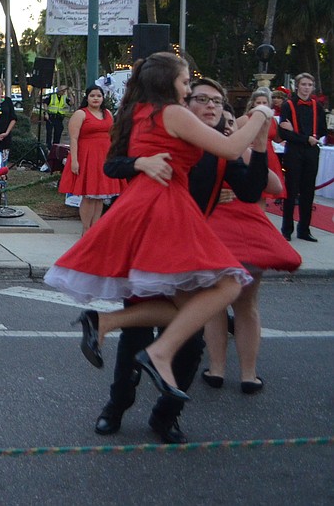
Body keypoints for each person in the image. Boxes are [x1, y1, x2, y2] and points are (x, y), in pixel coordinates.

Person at [44, 52, 272, 402]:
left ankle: (104, 324)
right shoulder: (173, 113)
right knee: (227, 286)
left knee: (190, 304)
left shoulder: (139, 112)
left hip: (147, 204)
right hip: (166, 207)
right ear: (169, 83)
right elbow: (228, 147)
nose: (187, 88)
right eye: (185, 82)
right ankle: (160, 353)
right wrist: (259, 115)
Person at [96, 77, 270, 442]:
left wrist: (260, 143)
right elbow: (112, 166)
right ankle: (116, 407)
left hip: (190, 258)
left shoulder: (221, 150)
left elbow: (254, 190)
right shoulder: (161, 135)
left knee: (191, 344)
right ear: (184, 105)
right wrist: (140, 163)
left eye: (218, 102)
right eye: (201, 98)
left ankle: (166, 416)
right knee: (135, 339)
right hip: (146, 251)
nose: (210, 106)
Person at [202, 106, 302, 394]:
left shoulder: (203, 152)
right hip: (248, 236)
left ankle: (217, 370)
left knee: (215, 306)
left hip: (216, 234)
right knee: (247, 306)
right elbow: (274, 185)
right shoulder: (240, 153)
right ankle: (248, 375)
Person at [57, 85, 125, 235]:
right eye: (92, 96)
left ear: (103, 98)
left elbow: (113, 135)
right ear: (87, 97)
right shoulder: (80, 114)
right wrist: (74, 161)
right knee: (89, 195)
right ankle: (86, 229)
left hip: (105, 157)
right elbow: (74, 139)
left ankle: (95, 229)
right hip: (87, 157)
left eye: (99, 96)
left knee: (100, 195)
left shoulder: (107, 113)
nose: (96, 98)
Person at [278, 73, 326, 242]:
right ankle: (286, 229)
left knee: (308, 191)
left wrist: (307, 136)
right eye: (304, 84)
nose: (306, 87)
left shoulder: (317, 106)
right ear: (297, 86)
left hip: (311, 152)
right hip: (294, 151)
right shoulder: (287, 105)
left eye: (309, 84)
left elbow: (322, 130)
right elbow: (283, 133)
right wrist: (306, 138)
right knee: (291, 190)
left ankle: (304, 230)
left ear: (313, 87)